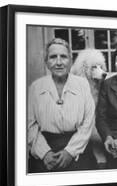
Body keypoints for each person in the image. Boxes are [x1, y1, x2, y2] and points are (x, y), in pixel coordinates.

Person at [28, 38, 97, 173]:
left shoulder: (82, 85)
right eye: (53, 57)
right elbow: (29, 125)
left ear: (70, 61)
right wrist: (45, 154)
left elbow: (88, 122)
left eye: (64, 57)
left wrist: (70, 152)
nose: (59, 62)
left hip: (78, 149)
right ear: (46, 62)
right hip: (45, 149)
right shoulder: (35, 87)